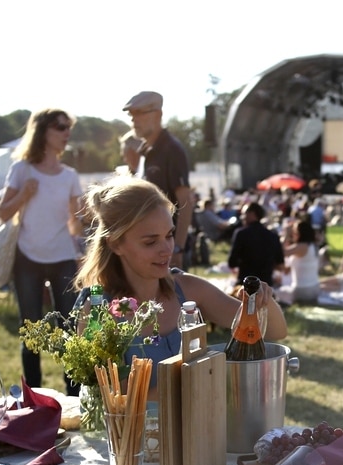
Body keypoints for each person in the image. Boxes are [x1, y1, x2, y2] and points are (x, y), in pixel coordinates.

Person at [74, 178, 287, 387]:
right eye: (150, 242)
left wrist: (262, 300)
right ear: (116, 244)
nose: (167, 249)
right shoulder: (97, 312)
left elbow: (275, 332)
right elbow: (112, 401)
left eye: (169, 235)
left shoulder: (186, 289)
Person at [0, 108, 84, 393]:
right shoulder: (21, 169)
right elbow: (2, 213)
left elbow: (76, 222)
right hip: (27, 258)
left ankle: (73, 396)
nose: (66, 133)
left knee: (70, 330)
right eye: (60, 126)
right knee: (31, 332)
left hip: (62, 258)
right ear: (42, 131)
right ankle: (32, 397)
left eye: (68, 127)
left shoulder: (70, 175)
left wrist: (83, 249)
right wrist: (25, 194)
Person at [123, 91, 192, 270]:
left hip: (165, 248)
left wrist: (177, 247)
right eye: (132, 115)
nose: (134, 121)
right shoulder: (147, 150)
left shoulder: (171, 149)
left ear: (158, 115)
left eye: (140, 114)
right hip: (150, 247)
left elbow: (186, 201)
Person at [227, 202, 284, 287]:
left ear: (252, 214)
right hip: (266, 285)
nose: (242, 217)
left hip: (245, 284)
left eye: (244, 214)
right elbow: (280, 263)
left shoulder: (241, 234)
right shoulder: (273, 236)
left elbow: (232, 262)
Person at [277, 218, 321, 305]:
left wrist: (286, 234)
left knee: (271, 293)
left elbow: (279, 252)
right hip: (314, 288)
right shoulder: (311, 245)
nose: (293, 234)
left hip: (302, 290)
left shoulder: (302, 246)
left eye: (295, 232)